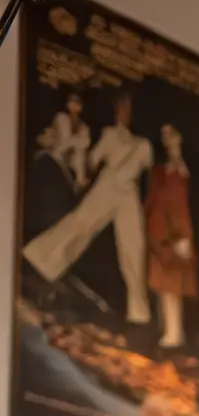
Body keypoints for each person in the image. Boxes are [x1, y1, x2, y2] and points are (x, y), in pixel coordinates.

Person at [23, 89, 153, 325]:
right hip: (109, 183)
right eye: (120, 107)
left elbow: (148, 170)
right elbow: (93, 160)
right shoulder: (109, 134)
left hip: (128, 192)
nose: (124, 112)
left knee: (134, 247)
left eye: (128, 108)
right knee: (81, 224)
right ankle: (41, 257)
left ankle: (139, 313)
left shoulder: (142, 144)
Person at [145, 123, 198, 350]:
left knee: (173, 285)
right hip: (160, 229)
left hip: (177, 232)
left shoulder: (182, 171)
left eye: (172, 134)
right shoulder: (160, 172)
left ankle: (175, 333)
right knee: (162, 285)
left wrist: (184, 237)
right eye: (164, 135)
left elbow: (182, 206)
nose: (167, 139)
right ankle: (168, 330)